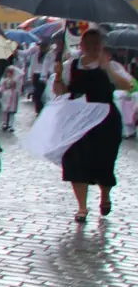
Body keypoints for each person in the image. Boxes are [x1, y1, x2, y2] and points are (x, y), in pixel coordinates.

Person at [52, 26, 132, 222]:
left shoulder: (110, 65)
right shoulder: (71, 65)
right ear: (81, 45)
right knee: (75, 161)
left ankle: (105, 195)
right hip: (78, 117)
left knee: (104, 161)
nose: (92, 47)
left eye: (96, 44)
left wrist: (107, 70)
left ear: (101, 45)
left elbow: (128, 86)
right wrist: (57, 75)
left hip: (104, 119)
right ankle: (82, 207)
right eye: (88, 44)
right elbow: (60, 92)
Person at [0, 62, 23, 131]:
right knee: (4, 112)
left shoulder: (15, 80)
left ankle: (11, 125)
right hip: (5, 97)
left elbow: (21, 74)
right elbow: (0, 88)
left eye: (11, 72)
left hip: (13, 97)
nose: (9, 74)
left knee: (11, 112)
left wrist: (14, 67)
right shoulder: (3, 80)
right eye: (8, 72)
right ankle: (4, 124)